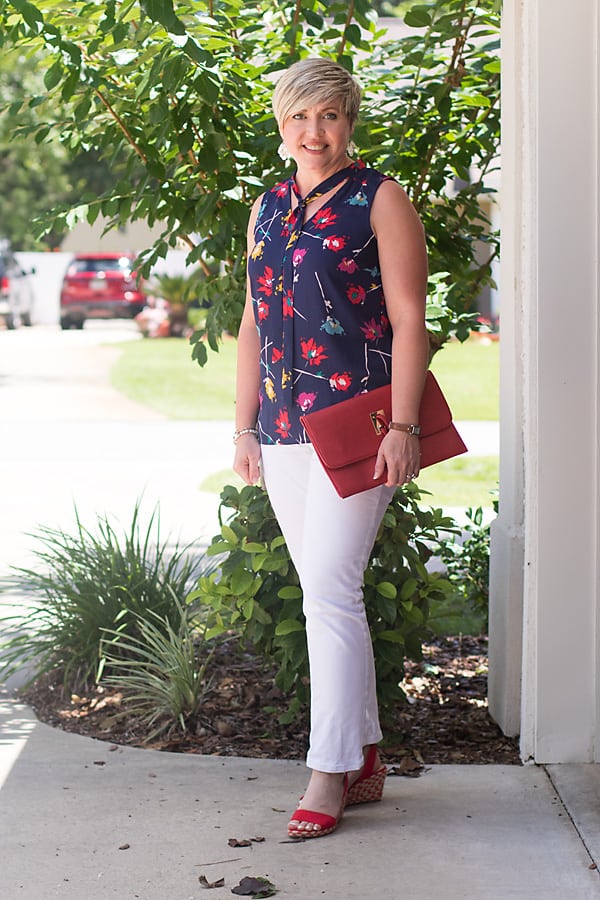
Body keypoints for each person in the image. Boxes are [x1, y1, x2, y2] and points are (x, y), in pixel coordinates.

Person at [233, 57, 429, 839]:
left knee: (330, 590)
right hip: (282, 428)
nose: (316, 132)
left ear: (350, 122)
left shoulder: (381, 199)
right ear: (283, 126)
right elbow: (252, 320)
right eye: (301, 117)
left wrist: (407, 429)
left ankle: (328, 771)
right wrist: (242, 426)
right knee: (327, 592)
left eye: (331, 116)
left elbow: (411, 319)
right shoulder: (267, 209)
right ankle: (367, 754)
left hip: (359, 421)